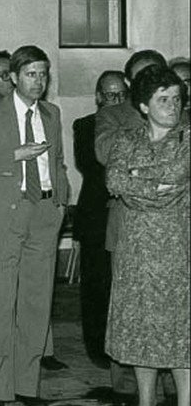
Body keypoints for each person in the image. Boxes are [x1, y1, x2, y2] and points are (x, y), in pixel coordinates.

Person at [0, 45, 69, 405]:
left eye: (42, 74)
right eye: (30, 74)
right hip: (5, 215)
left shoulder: (52, 114)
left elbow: (58, 161)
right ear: (12, 77)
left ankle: (27, 385)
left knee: (36, 305)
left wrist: (59, 203)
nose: (38, 81)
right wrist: (14, 155)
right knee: (1, 304)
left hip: (44, 213)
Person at [94, 49, 177, 402]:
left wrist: (138, 173)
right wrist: (155, 177)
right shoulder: (115, 119)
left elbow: (180, 175)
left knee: (175, 319)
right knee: (136, 318)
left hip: (176, 239)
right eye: (144, 76)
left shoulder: (180, 119)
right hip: (132, 234)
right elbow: (111, 168)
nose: (152, 81)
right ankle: (135, 393)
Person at [72, 70, 128, 367]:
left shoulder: (136, 122)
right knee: (96, 285)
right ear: (98, 97)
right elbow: (92, 165)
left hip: (126, 214)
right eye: (110, 95)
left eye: (121, 95)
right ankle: (96, 347)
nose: (116, 100)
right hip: (96, 215)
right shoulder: (85, 125)